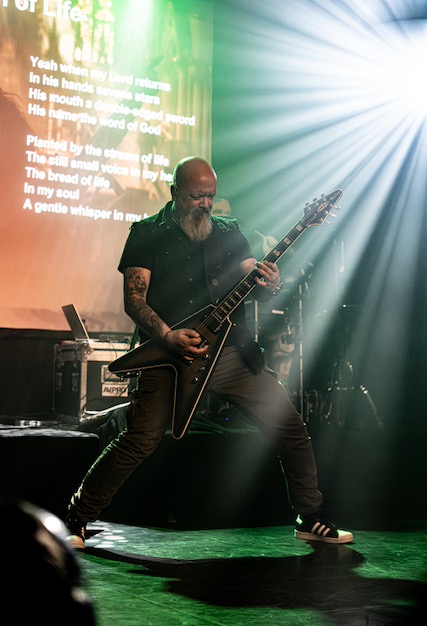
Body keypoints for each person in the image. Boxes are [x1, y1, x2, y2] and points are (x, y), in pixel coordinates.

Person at [65, 156, 353, 548]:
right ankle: (77, 517)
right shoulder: (146, 233)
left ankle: (310, 516)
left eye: (210, 197)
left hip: (230, 353)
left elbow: (254, 278)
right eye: (196, 196)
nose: (205, 204)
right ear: (175, 192)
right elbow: (134, 300)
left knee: (289, 425)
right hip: (167, 355)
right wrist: (168, 336)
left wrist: (270, 282)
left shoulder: (228, 231)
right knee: (140, 439)